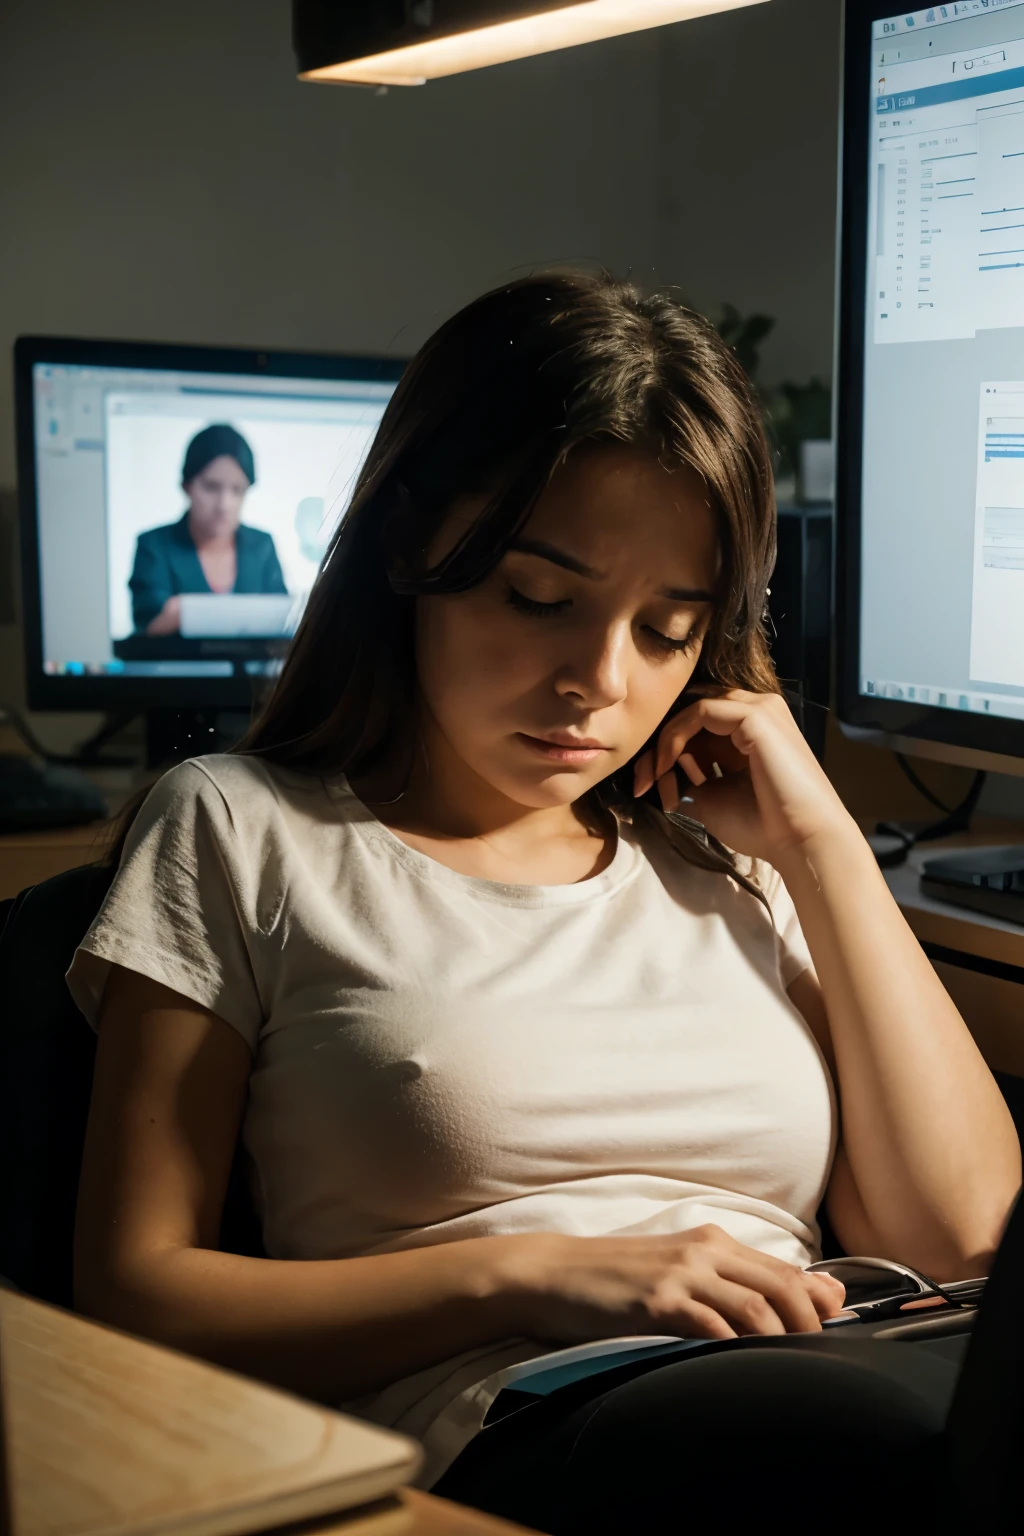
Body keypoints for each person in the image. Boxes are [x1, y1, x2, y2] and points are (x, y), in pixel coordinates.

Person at [69, 274, 1020, 1531]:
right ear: (410, 547)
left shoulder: (729, 860)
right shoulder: (243, 828)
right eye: (538, 600)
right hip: (523, 1418)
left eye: (669, 629)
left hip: (833, 1362)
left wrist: (822, 843)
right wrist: (535, 1279)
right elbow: (135, 1301)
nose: (598, 683)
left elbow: (964, 1243)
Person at [128, 423, 287, 634]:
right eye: (211, 487)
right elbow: (147, 630)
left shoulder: (262, 545)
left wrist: (182, 611)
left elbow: (284, 623)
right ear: (187, 486)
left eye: (237, 490)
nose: (224, 505)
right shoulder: (154, 546)